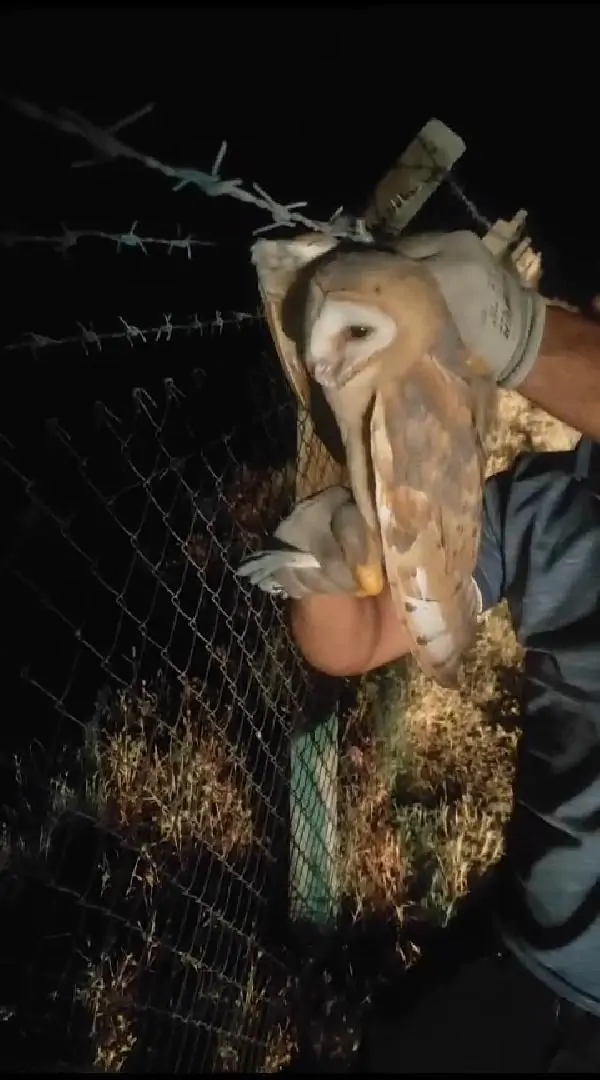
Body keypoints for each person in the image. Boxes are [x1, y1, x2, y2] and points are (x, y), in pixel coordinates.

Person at [237, 230, 600, 1070]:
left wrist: (523, 332)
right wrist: (330, 555)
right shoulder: (545, 507)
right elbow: (362, 640)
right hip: (531, 954)